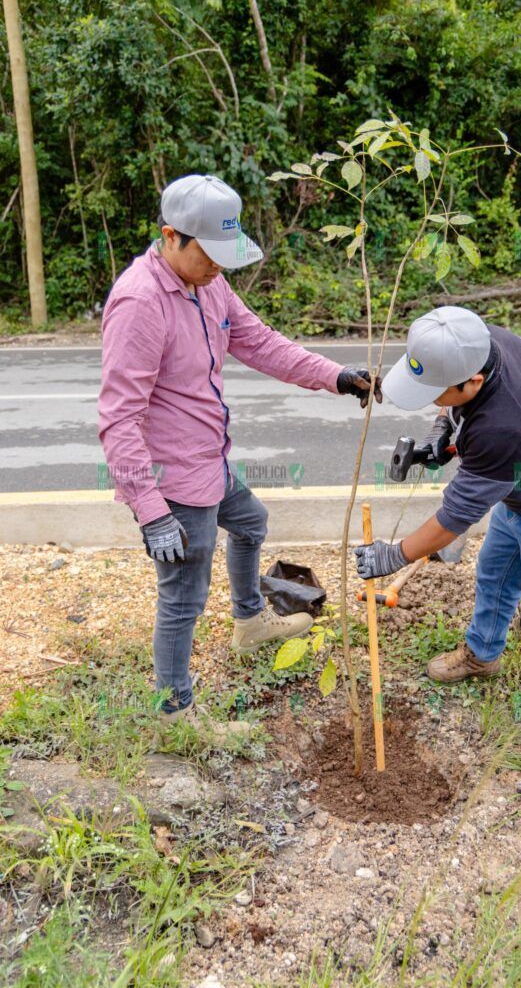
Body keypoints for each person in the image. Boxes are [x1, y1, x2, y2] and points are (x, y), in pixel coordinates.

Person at [99, 173, 381, 726]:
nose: (220, 266)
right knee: (183, 599)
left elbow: (259, 340)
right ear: (171, 236)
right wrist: (152, 512)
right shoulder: (140, 303)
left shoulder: (210, 285)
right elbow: (118, 418)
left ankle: (249, 622)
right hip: (173, 481)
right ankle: (173, 711)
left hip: (209, 459)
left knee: (251, 521)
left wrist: (336, 376)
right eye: (210, 254)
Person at [354, 307, 521, 794]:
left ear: (473, 381)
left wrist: (395, 555)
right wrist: (443, 430)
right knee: (493, 575)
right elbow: (454, 398)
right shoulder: (479, 340)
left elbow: (453, 519)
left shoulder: (504, 426)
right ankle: (482, 654)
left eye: (440, 393)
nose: (434, 397)